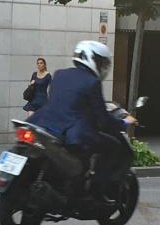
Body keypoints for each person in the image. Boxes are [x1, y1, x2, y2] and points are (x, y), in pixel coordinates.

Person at [28, 40, 135, 192]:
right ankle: (97, 188)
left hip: (41, 123)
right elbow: (103, 120)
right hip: (73, 132)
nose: (103, 68)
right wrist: (123, 122)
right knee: (113, 146)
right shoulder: (92, 82)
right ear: (94, 60)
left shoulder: (60, 74)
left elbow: (64, 102)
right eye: (102, 63)